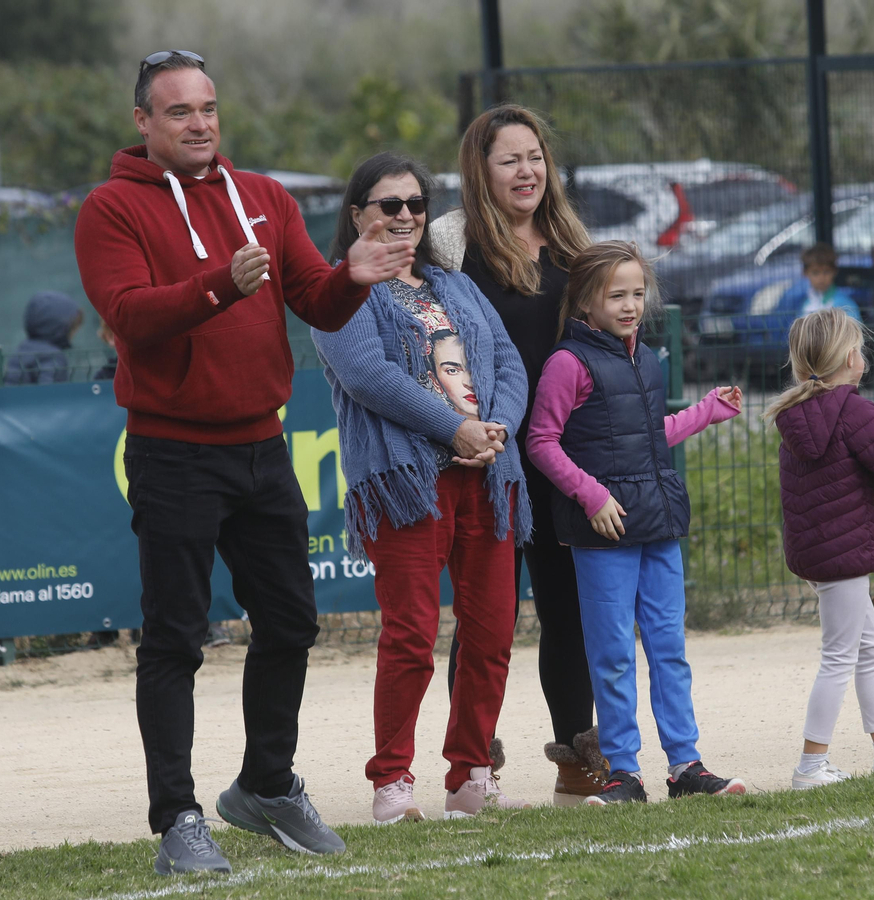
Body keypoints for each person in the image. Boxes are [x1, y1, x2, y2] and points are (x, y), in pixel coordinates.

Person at [73, 50, 413, 875]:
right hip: (173, 452)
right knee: (177, 639)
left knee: (293, 620)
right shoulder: (110, 209)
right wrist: (218, 285)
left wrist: (354, 278)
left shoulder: (262, 196)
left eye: (209, 109)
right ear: (144, 124)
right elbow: (129, 315)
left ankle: (265, 786)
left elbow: (313, 299)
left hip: (261, 446)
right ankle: (178, 819)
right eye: (180, 112)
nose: (200, 124)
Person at [310, 152, 532, 824]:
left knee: (492, 631)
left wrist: (496, 430)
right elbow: (369, 377)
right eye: (389, 205)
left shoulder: (453, 284)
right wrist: (454, 431)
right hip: (408, 481)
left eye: (415, 204)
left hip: (489, 475)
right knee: (411, 634)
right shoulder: (339, 290)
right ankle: (391, 783)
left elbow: (509, 362)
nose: (405, 216)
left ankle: (470, 776)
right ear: (357, 215)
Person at [526, 240, 747, 805]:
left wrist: (708, 410)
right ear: (584, 302)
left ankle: (686, 768)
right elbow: (541, 443)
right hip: (602, 534)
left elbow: (650, 437)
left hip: (658, 523)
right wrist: (592, 496)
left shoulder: (644, 357)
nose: (630, 305)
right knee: (614, 655)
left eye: (638, 294)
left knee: (669, 648)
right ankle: (624, 773)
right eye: (615, 294)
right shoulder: (566, 364)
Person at [428, 104, 605, 805]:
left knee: (569, 614)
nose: (527, 170)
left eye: (535, 156)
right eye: (511, 159)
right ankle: (472, 769)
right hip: (487, 461)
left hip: (561, 461)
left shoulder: (570, 241)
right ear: (482, 169)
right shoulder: (449, 245)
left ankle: (577, 762)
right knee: (484, 618)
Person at [763, 309, 874, 789]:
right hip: (844, 553)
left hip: (816, 552)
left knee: (870, 644)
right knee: (839, 655)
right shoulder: (854, 410)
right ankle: (810, 766)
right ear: (851, 358)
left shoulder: (796, 415)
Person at [4, 291, 84, 385]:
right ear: (61, 327)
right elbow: (49, 394)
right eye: (73, 328)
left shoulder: (23, 348)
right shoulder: (54, 357)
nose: (73, 334)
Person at [782, 243, 862, 323]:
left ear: (835, 271)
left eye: (826, 272)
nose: (821, 278)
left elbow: (853, 333)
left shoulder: (845, 304)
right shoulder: (805, 304)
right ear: (805, 272)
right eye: (815, 272)